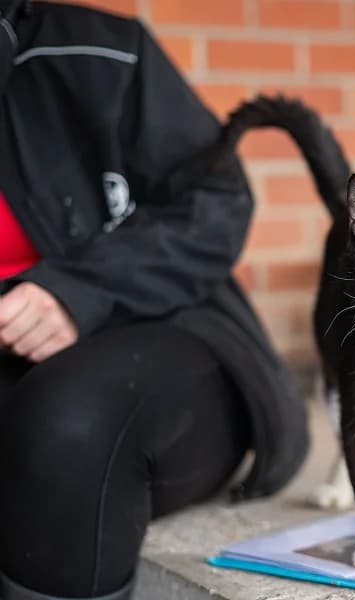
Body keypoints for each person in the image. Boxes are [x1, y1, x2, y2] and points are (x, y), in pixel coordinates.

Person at [0, 1, 309, 598]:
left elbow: (216, 202)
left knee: (68, 430)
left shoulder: (100, 52)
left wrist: (78, 290)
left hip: (158, 333)